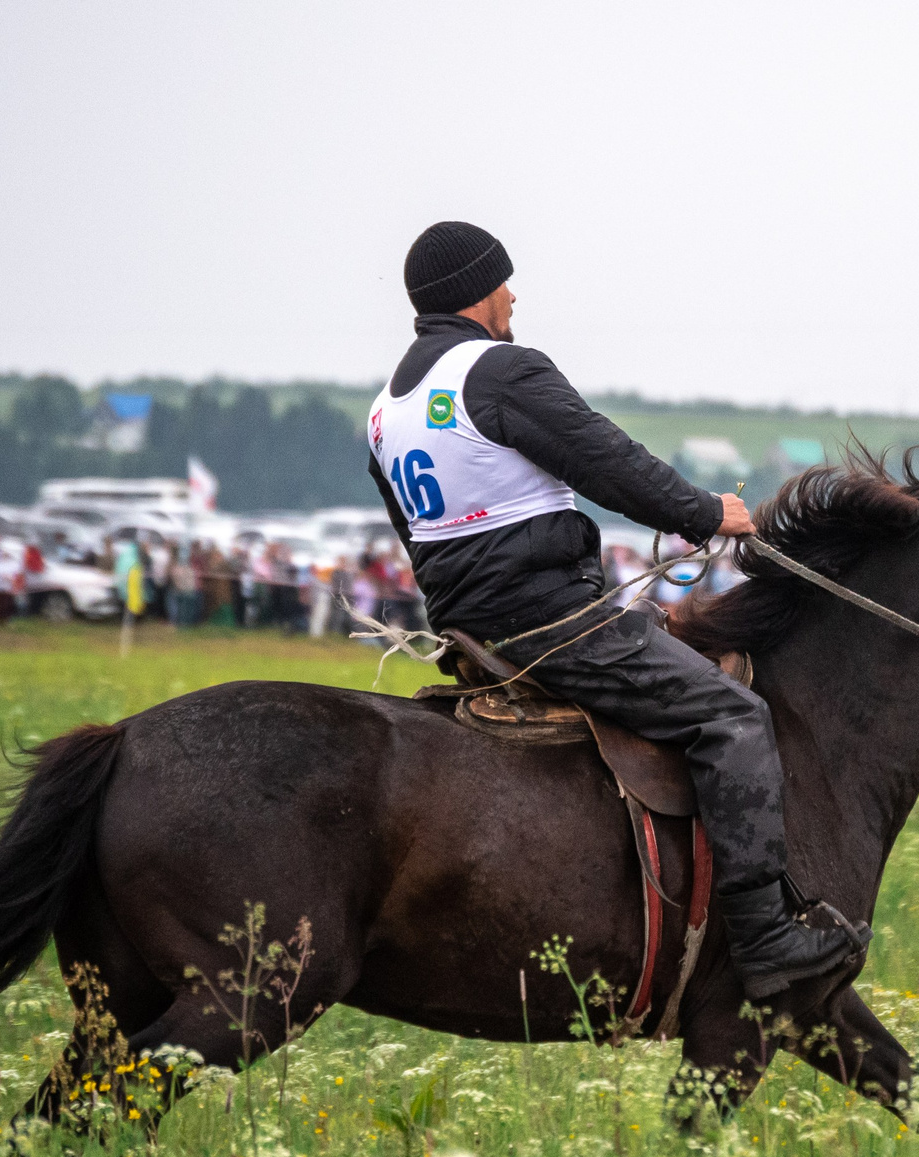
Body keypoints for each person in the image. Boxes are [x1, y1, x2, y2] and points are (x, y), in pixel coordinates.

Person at [366, 220, 861, 1001]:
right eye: (504, 281)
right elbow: (603, 457)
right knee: (733, 716)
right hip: (552, 621)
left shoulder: (385, 413)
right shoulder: (499, 371)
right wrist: (705, 512)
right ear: (476, 290)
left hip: (471, 629)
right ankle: (765, 939)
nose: (513, 296)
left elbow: (415, 537)